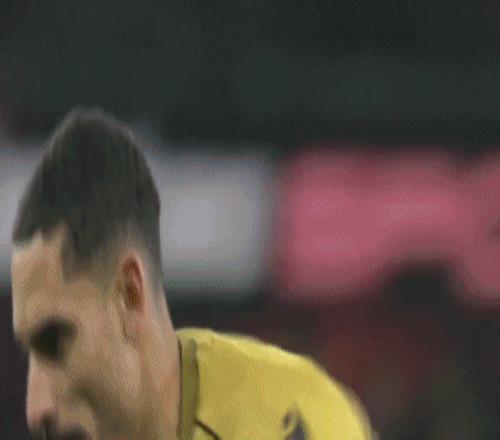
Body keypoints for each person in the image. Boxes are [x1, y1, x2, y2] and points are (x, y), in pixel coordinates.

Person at [10, 108, 374, 439]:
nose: (35, 408)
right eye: (30, 356)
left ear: (129, 295)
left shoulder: (288, 417)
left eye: (56, 344)